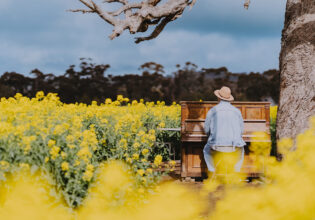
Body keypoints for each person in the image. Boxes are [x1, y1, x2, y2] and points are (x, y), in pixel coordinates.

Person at [203, 86, 246, 174]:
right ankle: (236, 172)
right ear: (229, 98)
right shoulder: (237, 111)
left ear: (218, 97)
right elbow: (241, 130)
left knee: (206, 150)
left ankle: (212, 171)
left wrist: (211, 136)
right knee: (241, 151)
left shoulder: (212, 111)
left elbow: (206, 130)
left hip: (216, 146)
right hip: (234, 146)